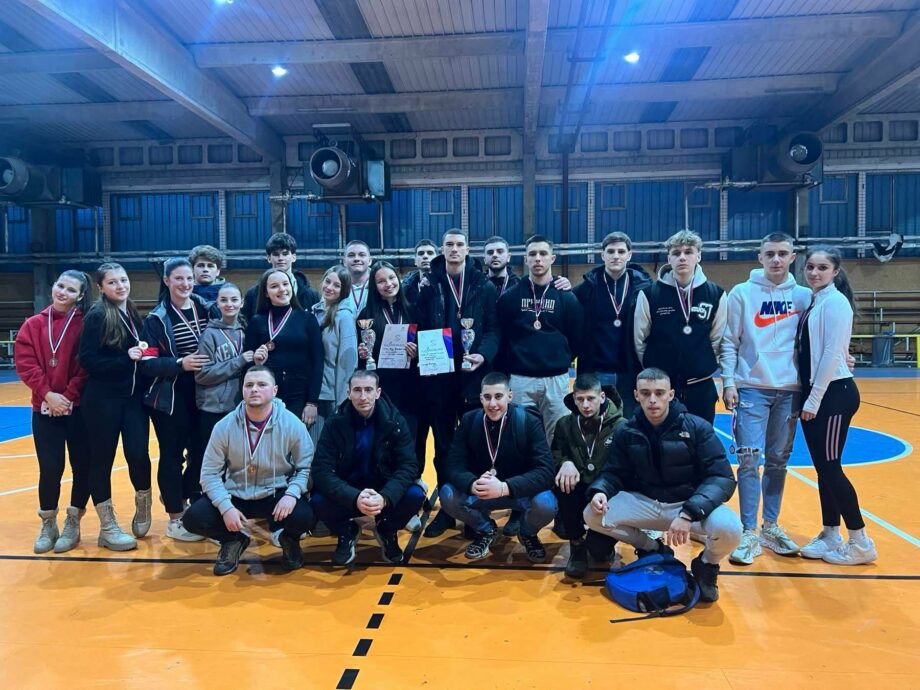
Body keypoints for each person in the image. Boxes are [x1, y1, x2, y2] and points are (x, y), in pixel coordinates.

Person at [584, 368, 741, 602]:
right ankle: (652, 548)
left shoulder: (697, 427)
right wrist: (601, 491)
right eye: (645, 393)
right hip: (646, 503)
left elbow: (722, 478)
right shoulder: (626, 430)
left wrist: (689, 513)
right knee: (591, 515)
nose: (652, 400)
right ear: (636, 395)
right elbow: (614, 472)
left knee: (731, 529)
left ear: (671, 394)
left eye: (659, 393)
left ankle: (707, 565)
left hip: (687, 505)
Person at [720, 232, 811, 565]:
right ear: (759, 257)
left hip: (790, 390)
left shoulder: (804, 296)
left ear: (792, 257)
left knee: (777, 461)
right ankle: (748, 532)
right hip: (751, 388)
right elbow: (729, 341)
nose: (776, 259)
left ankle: (770, 526)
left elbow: (815, 340)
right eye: (770, 253)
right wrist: (728, 381)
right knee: (748, 460)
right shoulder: (742, 293)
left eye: (782, 253)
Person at [183, 367, 315, 576]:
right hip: (236, 494)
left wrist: (291, 494)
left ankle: (289, 540)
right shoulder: (224, 426)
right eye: (249, 385)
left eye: (262, 384)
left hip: (275, 494)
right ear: (242, 390)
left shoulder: (292, 424)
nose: (254, 389)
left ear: (274, 390)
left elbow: (305, 467)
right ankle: (232, 540)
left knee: (305, 516)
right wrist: (226, 507)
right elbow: (209, 474)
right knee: (193, 518)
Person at [415, 228, 500, 538]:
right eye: (449, 244)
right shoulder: (427, 284)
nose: (454, 249)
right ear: (442, 249)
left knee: (476, 443)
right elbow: (419, 325)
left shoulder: (484, 285)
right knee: (443, 446)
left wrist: (483, 355)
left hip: (473, 377)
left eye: (459, 244)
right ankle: (448, 511)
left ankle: (474, 508)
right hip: (439, 378)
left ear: (467, 250)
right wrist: (419, 350)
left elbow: (494, 328)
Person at [796, 245, 876, 565]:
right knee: (823, 468)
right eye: (810, 267)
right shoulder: (816, 301)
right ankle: (830, 533)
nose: (815, 272)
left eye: (822, 268)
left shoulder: (836, 302)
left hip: (833, 395)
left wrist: (814, 398)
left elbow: (830, 354)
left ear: (835, 271)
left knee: (831, 467)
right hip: (818, 393)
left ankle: (860, 542)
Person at [311, 370, 425, 566]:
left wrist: (385, 497)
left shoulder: (395, 420)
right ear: (348, 393)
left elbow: (408, 466)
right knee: (317, 500)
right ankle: (346, 531)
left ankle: (386, 529)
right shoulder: (334, 422)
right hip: (348, 489)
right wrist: (354, 497)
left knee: (415, 495)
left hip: (382, 487)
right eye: (357, 390)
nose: (363, 397)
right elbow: (321, 469)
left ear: (378, 393)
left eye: (368, 390)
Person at [439, 372, 557, 562]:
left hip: (517, 494)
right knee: (447, 495)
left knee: (546, 503)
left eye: (498, 396)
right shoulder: (469, 420)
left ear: (510, 396)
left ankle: (527, 533)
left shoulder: (529, 421)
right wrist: (471, 484)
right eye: (487, 397)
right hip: (482, 492)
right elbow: (452, 465)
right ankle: (486, 530)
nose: (492, 404)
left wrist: (504, 487)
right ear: (480, 398)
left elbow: (546, 471)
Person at [15, 271, 92, 553]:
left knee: (82, 466)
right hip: (44, 408)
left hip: (78, 409)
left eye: (71, 290)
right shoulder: (33, 324)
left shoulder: (86, 324)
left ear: (80, 296)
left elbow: (86, 365)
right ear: (53, 287)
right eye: (60, 286)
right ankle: (48, 523)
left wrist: (68, 397)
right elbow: (26, 364)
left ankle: (73, 522)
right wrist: (48, 394)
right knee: (50, 468)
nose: (63, 292)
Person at [78, 263, 153, 551]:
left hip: (133, 400)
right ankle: (107, 526)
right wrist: (125, 359)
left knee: (138, 454)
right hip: (102, 401)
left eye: (123, 279)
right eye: (112, 282)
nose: (120, 286)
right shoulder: (97, 315)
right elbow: (88, 360)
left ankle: (143, 503)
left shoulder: (131, 311)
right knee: (102, 460)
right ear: (101, 287)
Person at [140, 257, 214, 541]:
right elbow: (147, 364)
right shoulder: (156, 319)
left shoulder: (207, 308)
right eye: (179, 279)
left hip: (205, 392)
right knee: (172, 457)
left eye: (189, 279)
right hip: (171, 396)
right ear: (167, 281)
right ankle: (174, 517)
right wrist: (180, 364)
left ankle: (185, 499)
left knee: (203, 453)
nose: (185, 284)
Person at [496, 234, 583, 444]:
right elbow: (502, 337)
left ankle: (553, 469)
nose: (537, 258)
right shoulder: (510, 297)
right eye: (532, 254)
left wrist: (558, 358)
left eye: (543, 253)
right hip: (520, 379)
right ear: (525, 259)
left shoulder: (566, 296)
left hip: (556, 379)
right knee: (519, 436)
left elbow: (578, 337)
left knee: (558, 436)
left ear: (552, 258)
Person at [634, 230, 727, 424]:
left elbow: (717, 339)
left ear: (698, 256)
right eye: (676, 253)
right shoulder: (650, 294)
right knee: (662, 439)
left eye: (688, 252)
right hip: (662, 388)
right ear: (669, 258)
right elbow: (640, 339)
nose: (682, 257)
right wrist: (655, 369)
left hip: (700, 386)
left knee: (701, 439)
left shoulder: (716, 294)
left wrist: (701, 363)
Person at [550, 373, 625, 578]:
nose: (585, 405)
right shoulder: (564, 424)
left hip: (607, 492)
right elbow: (556, 453)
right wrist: (565, 462)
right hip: (578, 488)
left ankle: (601, 540)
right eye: (580, 399)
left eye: (590, 398)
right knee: (564, 483)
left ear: (602, 397)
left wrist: (603, 487)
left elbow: (625, 467)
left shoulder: (621, 426)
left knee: (599, 552)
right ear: (574, 399)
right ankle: (576, 545)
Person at [573, 231, 651, 418]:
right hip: (595, 371)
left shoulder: (645, 289)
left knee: (630, 425)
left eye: (621, 251)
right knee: (595, 426)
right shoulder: (586, 289)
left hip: (631, 372)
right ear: (603, 255)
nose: (616, 256)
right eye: (611, 251)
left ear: (629, 255)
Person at [245, 268, 324, 425]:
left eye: (285, 284)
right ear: (266, 293)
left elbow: (318, 361)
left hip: (299, 396)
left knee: (293, 440)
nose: (282, 289)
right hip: (266, 395)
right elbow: (248, 366)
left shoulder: (307, 319)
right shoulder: (256, 321)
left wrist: (312, 402)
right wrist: (256, 361)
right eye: (274, 286)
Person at [195, 283, 255, 452]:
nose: (229, 304)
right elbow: (202, 374)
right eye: (224, 300)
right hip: (213, 410)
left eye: (234, 300)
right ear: (217, 303)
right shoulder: (209, 334)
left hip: (240, 408)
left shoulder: (246, 331)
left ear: (242, 303)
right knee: (211, 460)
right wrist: (238, 361)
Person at [310, 266, 358, 442]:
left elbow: (347, 362)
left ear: (344, 290)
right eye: (328, 281)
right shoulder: (313, 312)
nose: (330, 287)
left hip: (330, 395)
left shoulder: (344, 317)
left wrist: (342, 402)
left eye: (337, 285)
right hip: (313, 392)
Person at [242, 234, 320, 323]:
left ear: (294, 257)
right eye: (276, 254)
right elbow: (246, 324)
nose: (281, 258)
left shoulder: (311, 295)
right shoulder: (253, 294)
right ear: (268, 258)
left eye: (285, 254)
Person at [402, 238, 437, 305]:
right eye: (421, 253)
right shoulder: (406, 289)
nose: (425, 256)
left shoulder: (446, 284)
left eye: (430, 253)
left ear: (437, 259)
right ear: (415, 261)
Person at [343, 240, 373, 314]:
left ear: (370, 261)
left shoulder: (380, 283)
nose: (356, 259)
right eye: (351, 255)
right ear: (344, 262)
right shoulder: (336, 285)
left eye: (362, 255)